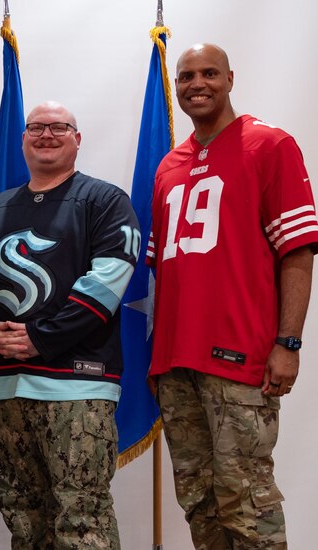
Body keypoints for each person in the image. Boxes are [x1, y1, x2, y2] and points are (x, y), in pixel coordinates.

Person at [147, 43, 318, 549]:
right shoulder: (167, 166)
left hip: (240, 355)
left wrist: (289, 343)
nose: (196, 84)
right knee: (199, 501)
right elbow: (163, 272)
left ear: (230, 79)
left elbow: (298, 252)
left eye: (209, 73)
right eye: (185, 76)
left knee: (246, 501)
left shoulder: (269, 145)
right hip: (177, 360)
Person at [0, 101, 138, 549]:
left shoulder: (105, 201)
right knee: (23, 518)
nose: (47, 135)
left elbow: (108, 281)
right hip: (3, 390)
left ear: (77, 138)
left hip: (76, 387)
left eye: (60, 127)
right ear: (23, 141)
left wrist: (40, 338)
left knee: (82, 518)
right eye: (36, 127)